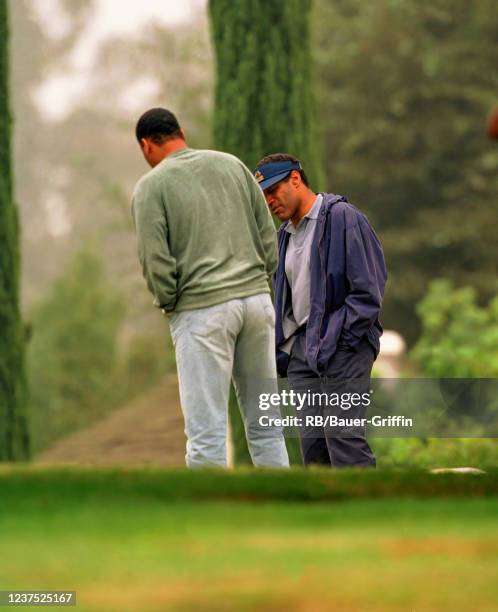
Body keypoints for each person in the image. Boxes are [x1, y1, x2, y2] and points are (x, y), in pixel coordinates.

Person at [131, 108, 289, 469]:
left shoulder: (151, 187)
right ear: (181, 132)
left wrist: (170, 302)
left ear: (145, 145)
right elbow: (268, 234)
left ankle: (209, 519)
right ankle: (285, 509)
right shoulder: (232, 165)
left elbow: (155, 261)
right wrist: (260, 279)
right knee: (266, 426)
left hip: (202, 311)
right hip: (256, 303)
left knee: (206, 433)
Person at [254, 153, 387, 468]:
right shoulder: (283, 237)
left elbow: (368, 290)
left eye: (274, 190)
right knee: (313, 449)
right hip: (302, 355)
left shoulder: (343, 218)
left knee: (344, 437)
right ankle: (328, 516)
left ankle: (368, 513)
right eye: (265, 195)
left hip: (343, 347)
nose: (270, 200)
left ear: (296, 179)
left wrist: (339, 338)